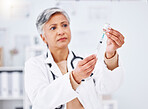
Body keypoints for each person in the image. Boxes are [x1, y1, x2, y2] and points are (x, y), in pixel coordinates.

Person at [24, 7, 125, 109]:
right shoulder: (35, 65)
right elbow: (40, 101)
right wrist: (74, 77)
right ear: (43, 37)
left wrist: (111, 54)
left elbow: (108, 86)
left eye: (64, 25)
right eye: (53, 28)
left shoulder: (84, 60)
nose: (61, 31)